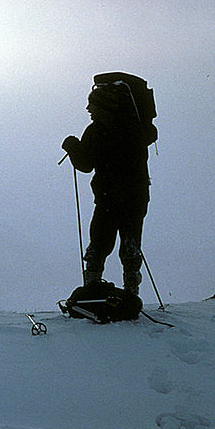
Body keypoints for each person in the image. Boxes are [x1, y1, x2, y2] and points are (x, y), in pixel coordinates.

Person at [62, 84, 157, 295]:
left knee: (98, 245)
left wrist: (71, 146)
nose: (89, 109)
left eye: (93, 105)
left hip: (107, 199)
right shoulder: (136, 128)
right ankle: (131, 292)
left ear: (104, 106)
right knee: (131, 245)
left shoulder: (96, 131)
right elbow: (151, 134)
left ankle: (91, 289)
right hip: (136, 197)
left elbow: (85, 164)